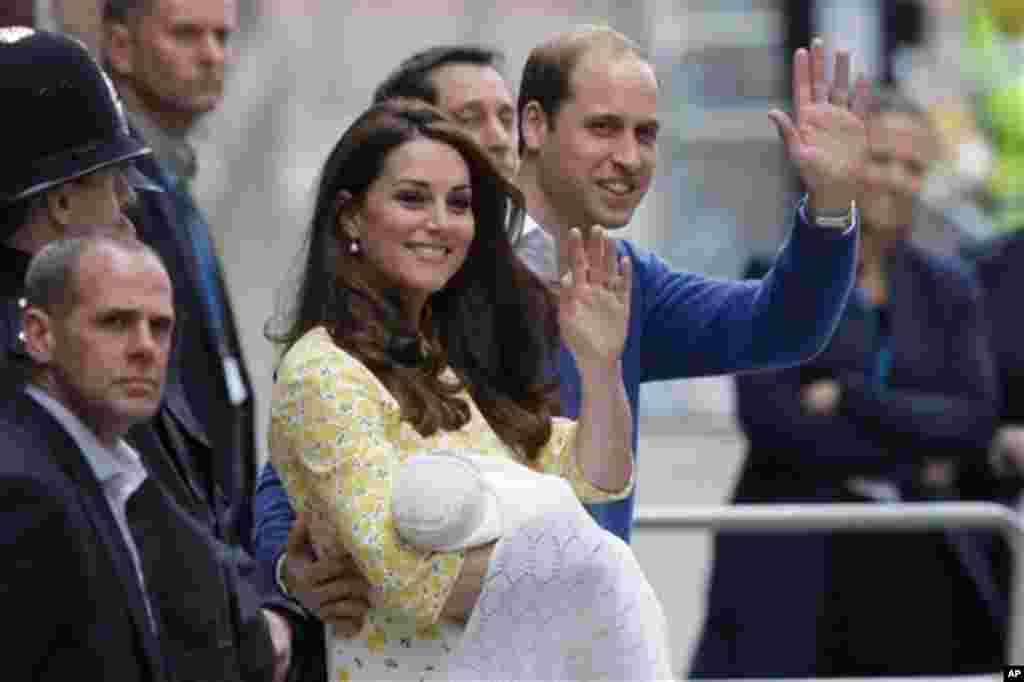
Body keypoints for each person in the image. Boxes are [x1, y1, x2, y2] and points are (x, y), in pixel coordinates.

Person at [266, 101, 658, 680]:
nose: (440, 222)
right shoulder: (322, 370)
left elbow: (598, 474)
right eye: (411, 198)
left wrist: (601, 366)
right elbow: (412, 582)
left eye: (459, 203)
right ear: (350, 217)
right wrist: (585, 566)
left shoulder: (444, 358)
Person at [0, 26, 300, 682]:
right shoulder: (55, 372)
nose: (130, 204)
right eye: (113, 179)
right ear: (61, 200)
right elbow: (161, 545)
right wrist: (259, 628)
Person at [691, 87, 1004, 677]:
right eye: (880, 159)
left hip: (917, 567)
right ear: (849, 161)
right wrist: (915, 443)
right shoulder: (776, 274)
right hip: (793, 558)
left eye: (912, 167)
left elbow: (972, 423)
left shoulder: (950, 288)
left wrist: (852, 399)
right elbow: (774, 425)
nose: (894, 179)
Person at [511, 27, 866, 542]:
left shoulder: (629, 280)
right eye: (604, 128)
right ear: (535, 125)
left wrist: (831, 203)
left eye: (646, 134)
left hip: (592, 616)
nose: (630, 157)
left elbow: (783, 326)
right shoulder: (450, 260)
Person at [101, 0, 258, 550]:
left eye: (222, 37)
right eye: (187, 35)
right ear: (120, 46)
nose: (212, 56)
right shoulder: (114, 192)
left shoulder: (172, 177)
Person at [0, 236, 176, 681]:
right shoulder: (21, 488)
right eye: (116, 322)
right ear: (39, 335)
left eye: (160, 327)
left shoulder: (118, 472)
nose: (145, 348)